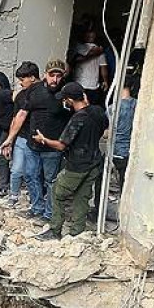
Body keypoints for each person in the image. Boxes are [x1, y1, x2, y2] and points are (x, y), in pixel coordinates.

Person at [34, 82, 109, 240]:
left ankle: (55, 230)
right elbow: (104, 129)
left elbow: (61, 145)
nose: (64, 103)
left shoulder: (77, 119)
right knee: (82, 197)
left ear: (69, 100)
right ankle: (77, 232)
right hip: (95, 161)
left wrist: (44, 140)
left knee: (57, 191)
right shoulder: (98, 111)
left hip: (77, 164)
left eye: (65, 100)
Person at [1, 60, 69, 221]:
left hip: (52, 148)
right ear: (45, 74)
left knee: (51, 181)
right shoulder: (34, 91)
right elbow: (21, 115)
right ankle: (37, 207)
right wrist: (10, 139)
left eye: (59, 76)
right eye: (52, 75)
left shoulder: (66, 93)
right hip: (33, 146)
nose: (55, 79)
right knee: (31, 175)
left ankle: (49, 213)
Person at [5, 62, 39, 207]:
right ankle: (14, 195)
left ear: (32, 77)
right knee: (17, 170)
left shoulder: (43, 94)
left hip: (37, 140)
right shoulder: (21, 96)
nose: (20, 83)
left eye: (22, 79)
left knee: (34, 174)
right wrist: (10, 140)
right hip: (22, 138)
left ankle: (35, 200)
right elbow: (15, 119)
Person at [71, 29, 109, 105]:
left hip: (79, 83)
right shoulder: (99, 51)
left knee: (76, 106)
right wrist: (105, 81)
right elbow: (103, 68)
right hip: (93, 85)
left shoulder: (78, 47)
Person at [111, 78, 137, 191]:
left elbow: (107, 132)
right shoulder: (138, 105)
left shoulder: (113, 108)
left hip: (116, 150)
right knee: (125, 183)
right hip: (131, 149)